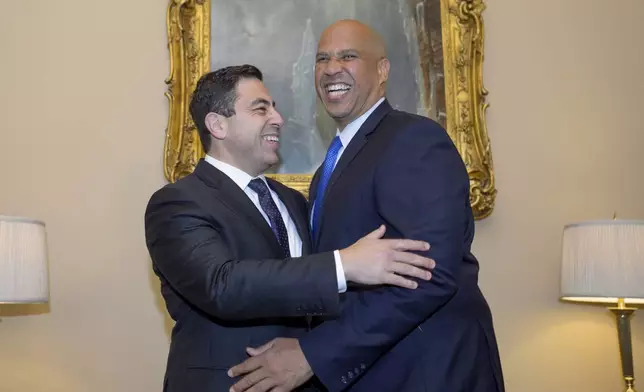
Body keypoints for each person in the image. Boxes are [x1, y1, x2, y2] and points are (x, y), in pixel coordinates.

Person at [228, 20, 505, 392]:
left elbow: (429, 274)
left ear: (383, 70)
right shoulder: (333, 164)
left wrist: (314, 355)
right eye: (322, 58)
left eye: (348, 56)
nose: (331, 68)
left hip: (429, 374)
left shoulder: (414, 139)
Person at [144, 64, 438, 392]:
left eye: (275, 107)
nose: (278, 119)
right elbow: (221, 286)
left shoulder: (295, 201)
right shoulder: (176, 204)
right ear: (217, 124)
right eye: (260, 109)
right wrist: (345, 264)